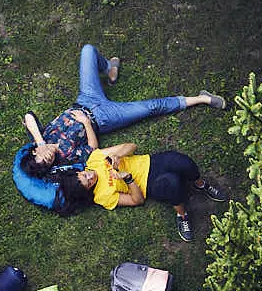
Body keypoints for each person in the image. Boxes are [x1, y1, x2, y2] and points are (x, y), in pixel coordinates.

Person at [21, 44, 226, 177]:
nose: (49, 157)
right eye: (48, 162)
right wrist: (85, 123)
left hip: (85, 97)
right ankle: (201, 98)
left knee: (88, 51)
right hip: (103, 118)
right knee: (152, 108)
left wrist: (41, 142)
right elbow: (92, 149)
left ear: (35, 150)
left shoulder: (42, 137)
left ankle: (109, 68)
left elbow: (29, 116)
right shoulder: (66, 157)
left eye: (43, 156)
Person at [50, 142, 229, 242]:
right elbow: (138, 200)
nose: (89, 176)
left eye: (83, 175)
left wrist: (118, 156)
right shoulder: (102, 196)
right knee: (172, 183)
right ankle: (182, 216)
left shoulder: (95, 160)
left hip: (151, 162)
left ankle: (200, 184)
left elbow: (132, 146)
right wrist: (127, 179)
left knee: (183, 163)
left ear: (80, 171)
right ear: (88, 191)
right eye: (87, 182)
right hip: (148, 184)